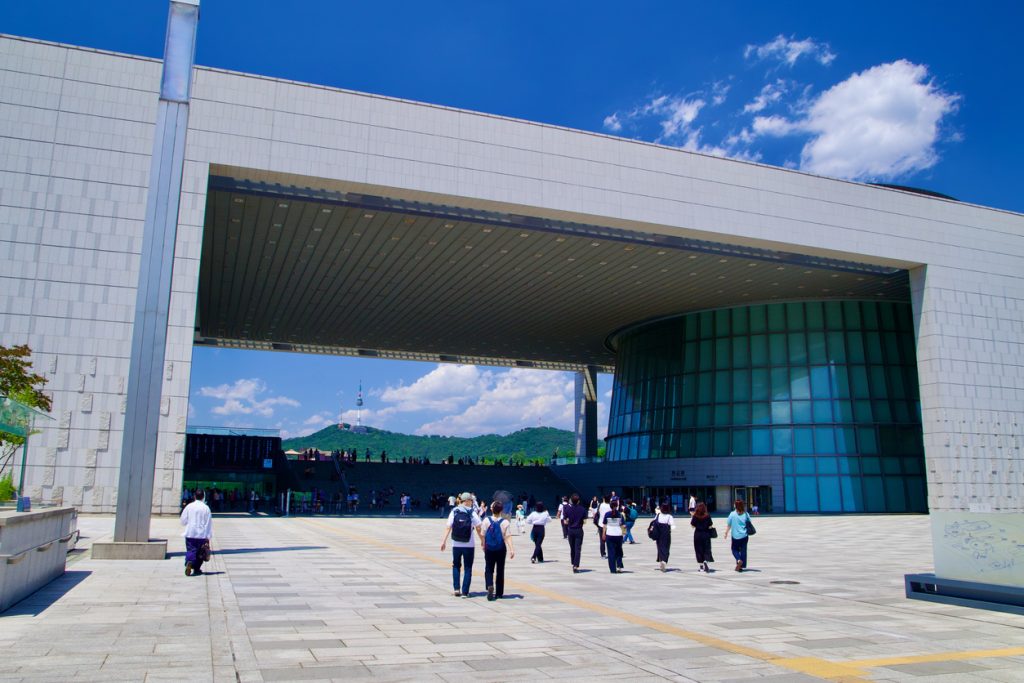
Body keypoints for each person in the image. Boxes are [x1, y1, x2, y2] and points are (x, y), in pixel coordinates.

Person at [440, 492, 483, 596]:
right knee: (468, 567)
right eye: (471, 501)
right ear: (467, 501)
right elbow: (478, 527)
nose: (472, 502)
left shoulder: (454, 511)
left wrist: (443, 541)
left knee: (456, 566)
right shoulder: (471, 512)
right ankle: (465, 592)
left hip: (456, 544)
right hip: (469, 544)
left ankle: (456, 589)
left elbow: (448, 527)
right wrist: (482, 540)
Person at [480, 501, 515, 600]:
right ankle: (499, 593)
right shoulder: (505, 522)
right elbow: (508, 536)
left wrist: (483, 544)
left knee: (488, 568)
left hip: (489, 548)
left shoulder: (486, 520)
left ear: (492, 509)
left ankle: (490, 585)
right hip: (501, 548)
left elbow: (482, 534)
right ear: (501, 510)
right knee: (500, 569)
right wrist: (511, 549)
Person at [180, 489, 213, 576]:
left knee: (191, 549)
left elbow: (183, 520)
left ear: (194, 496)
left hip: (190, 533)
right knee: (200, 553)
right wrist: (208, 536)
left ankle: (189, 561)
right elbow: (208, 523)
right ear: (203, 497)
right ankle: (197, 568)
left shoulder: (189, 506)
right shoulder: (206, 508)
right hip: (201, 534)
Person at [562, 493, 588, 573]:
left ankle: (573, 562)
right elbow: (585, 521)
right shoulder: (582, 509)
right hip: (579, 530)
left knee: (572, 547)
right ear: (578, 501)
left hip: (570, 530)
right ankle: (576, 565)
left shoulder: (567, 509)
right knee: (578, 548)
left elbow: (565, 521)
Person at [725, 499, 752, 572]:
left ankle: (738, 560)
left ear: (735, 505)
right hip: (744, 535)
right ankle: (741, 566)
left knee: (734, 549)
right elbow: (749, 522)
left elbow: (729, 525)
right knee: (743, 550)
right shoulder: (746, 514)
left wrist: (726, 533)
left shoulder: (732, 514)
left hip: (735, 536)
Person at [600, 499, 626, 573]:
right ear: (617, 506)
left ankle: (612, 569)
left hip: (609, 535)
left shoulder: (607, 514)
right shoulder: (620, 514)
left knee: (611, 552)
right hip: (618, 535)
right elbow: (623, 525)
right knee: (619, 551)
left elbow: (604, 525)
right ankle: (619, 566)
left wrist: (603, 534)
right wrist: (624, 531)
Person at [690, 502, 715, 573]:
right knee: (706, 549)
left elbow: (692, 525)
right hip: (706, 534)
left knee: (698, 550)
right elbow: (710, 525)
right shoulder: (707, 516)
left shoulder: (695, 516)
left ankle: (701, 567)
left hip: (698, 534)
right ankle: (705, 561)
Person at [650, 501, 674, 572]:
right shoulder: (669, 516)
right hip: (666, 534)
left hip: (658, 534)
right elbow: (673, 526)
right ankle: (664, 561)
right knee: (666, 548)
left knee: (660, 548)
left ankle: (661, 561)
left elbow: (654, 522)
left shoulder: (658, 515)